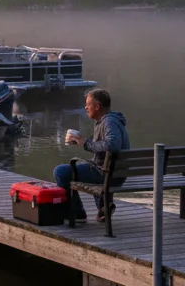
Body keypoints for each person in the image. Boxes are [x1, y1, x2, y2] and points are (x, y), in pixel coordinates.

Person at [54, 88, 130, 222]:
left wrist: (86, 144)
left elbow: (113, 144)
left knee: (61, 171)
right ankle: (103, 207)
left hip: (106, 174)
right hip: (115, 173)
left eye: (88, 104)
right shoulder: (108, 120)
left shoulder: (109, 122)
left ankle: (77, 213)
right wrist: (84, 141)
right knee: (92, 164)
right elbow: (104, 145)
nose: (85, 107)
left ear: (97, 106)